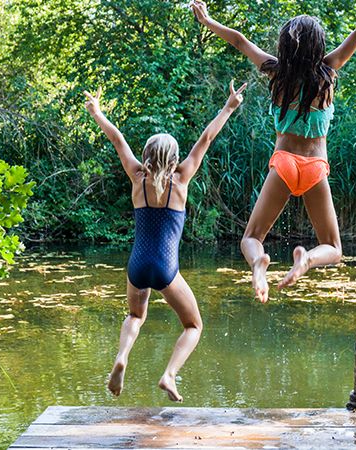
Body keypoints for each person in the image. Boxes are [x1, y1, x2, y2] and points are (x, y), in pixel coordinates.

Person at [191, 0, 356, 303]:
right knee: (332, 247)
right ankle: (306, 260)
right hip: (316, 167)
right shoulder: (328, 73)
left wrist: (208, 21)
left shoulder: (276, 74)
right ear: (318, 46)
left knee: (251, 238)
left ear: (284, 46)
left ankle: (258, 264)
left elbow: (239, 40)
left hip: (284, 164)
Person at [83, 80, 247, 402]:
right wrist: (229, 106)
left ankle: (121, 357)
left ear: (146, 155)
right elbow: (206, 138)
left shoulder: (136, 176)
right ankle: (169, 374)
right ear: (173, 159)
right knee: (193, 325)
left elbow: (117, 140)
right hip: (165, 267)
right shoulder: (182, 177)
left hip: (137, 265)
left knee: (135, 316)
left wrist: (97, 113)